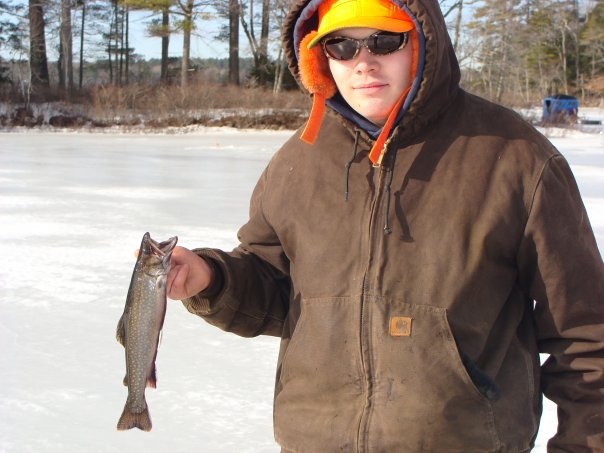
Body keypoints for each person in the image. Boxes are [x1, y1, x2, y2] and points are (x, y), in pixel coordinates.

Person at [165, 0, 604, 450]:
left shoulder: (516, 158)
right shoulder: (297, 162)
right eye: (341, 45)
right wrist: (211, 279)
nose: (364, 62)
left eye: (384, 39)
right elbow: (281, 291)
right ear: (319, 56)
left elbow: (588, 336)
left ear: (422, 40)